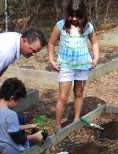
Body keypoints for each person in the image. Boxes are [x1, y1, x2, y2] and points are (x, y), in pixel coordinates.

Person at [47, 0, 100, 129]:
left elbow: (94, 42)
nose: (74, 18)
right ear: (67, 14)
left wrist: (96, 57)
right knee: (63, 97)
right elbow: (51, 43)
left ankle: (76, 120)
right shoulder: (60, 26)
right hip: (65, 66)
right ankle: (58, 124)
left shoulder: (88, 26)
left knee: (79, 92)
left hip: (82, 66)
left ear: (83, 14)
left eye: (77, 16)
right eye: (72, 15)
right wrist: (51, 60)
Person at [0, 78, 43, 154]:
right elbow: (19, 139)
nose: (17, 104)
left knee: (21, 120)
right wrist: (35, 136)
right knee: (37, 144)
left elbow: (9, 128)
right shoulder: (11, 114)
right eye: (18, 101)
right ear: (12, 98)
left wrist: (31, 126)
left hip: (3, 147)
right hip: (15, 150)